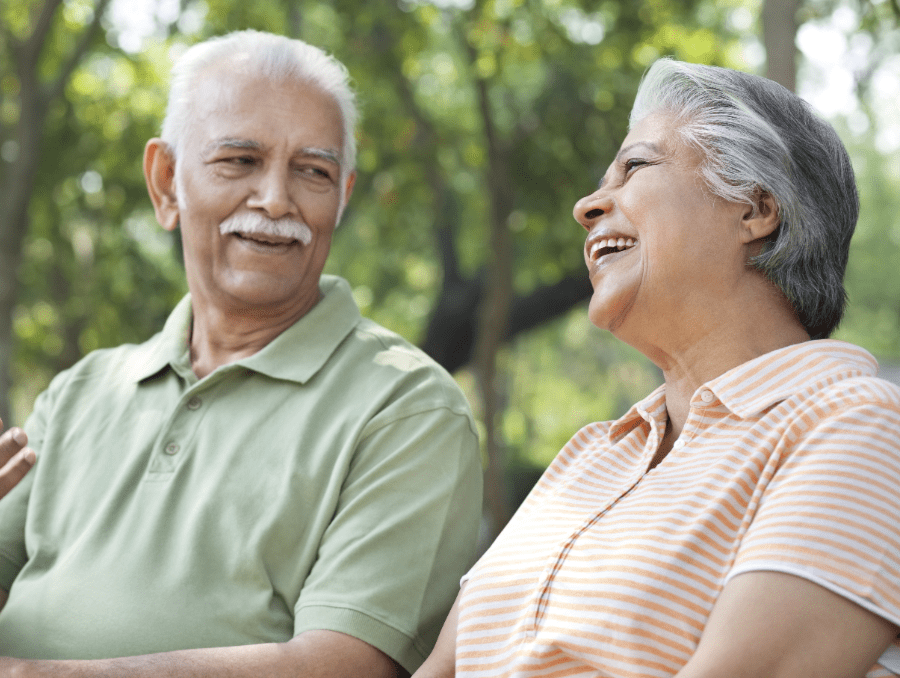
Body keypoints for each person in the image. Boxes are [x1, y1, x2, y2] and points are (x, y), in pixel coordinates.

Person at [0, 30, 482, 677]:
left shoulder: (406, 408)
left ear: (342, 197)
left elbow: (343, 667)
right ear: (166, 182)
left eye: (314, 171)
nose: (276, 200)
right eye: (240, 160)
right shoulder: (81, 391)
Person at [413, 59, 900, 678]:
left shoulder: (858, 426)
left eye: (634, 167)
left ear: (753, 208)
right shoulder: (589, 454)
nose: (587, 206)